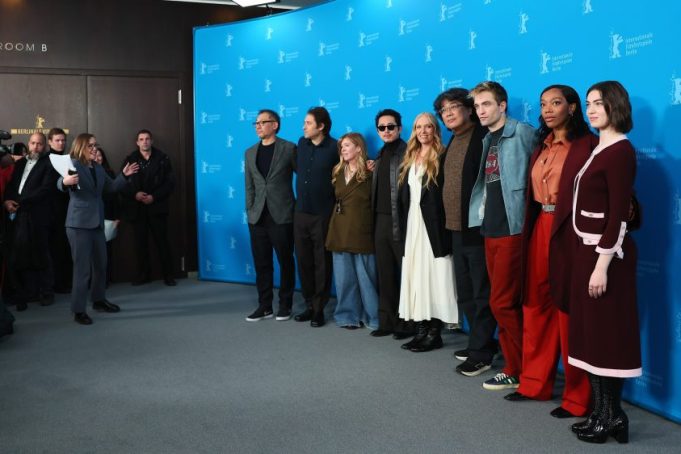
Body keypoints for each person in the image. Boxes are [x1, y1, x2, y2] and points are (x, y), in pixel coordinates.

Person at [502, 85, 593, 419]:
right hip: (540, 225)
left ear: (572, 107)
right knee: (535, 305)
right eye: (543, 104)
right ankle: (534, 383)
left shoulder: (587, 146)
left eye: (556, 103)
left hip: (570, 231)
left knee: (568, 311)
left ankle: (578, 397)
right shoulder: (542, 144)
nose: (548, 109)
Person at [568, 81, 640, 444]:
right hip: (587, 252)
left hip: (607, 256)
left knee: (607, 338)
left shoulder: (621, 152)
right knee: (592, 337)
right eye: (588, 103)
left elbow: (618, 217)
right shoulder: (600, 148)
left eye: (599, 103)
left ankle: (614, 416)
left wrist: (602, 265)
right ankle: (601, 412)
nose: (592, 109)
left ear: (616, 106)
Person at [469, 81, 535, 390]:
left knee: (502, 303)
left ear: (502, 105)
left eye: (486, 104)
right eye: (477, 106)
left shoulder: (521, 132)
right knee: (501, 303)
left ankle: (523, 367)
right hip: (490, 229)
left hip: (513, 229)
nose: (480, 111)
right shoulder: (487, 138)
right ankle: (515, 366)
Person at [435, 88, 498, 376]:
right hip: (455, 230)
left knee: (481, 294)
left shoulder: (482, 138)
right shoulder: (452, 140)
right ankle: (479, 342)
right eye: (443, 111)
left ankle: (482, 352)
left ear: (470, 109)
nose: (447, 114)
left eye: (453, 107)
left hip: (477, 230)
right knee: (466, 294)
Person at [58, 133, 138, 325]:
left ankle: (99, 300)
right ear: (81, 147)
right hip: (78, 225)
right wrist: (64, 183)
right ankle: (78, 310)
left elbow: (110, 189)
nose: (94, 149)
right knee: (82, 270)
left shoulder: (98, 168)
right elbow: (61, 183)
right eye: (90, 146)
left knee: (101, 265)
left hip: (96, 224)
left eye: (96, 145)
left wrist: (123, 177)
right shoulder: (74, 165)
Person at [398, 112, 458, 352]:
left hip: (433, 227)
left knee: (434, 277)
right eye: (418, 127)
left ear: (435, 129)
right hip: (412, 225)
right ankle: (421, 329)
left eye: (428, 127)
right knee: (416, 276)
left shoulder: (443, 155)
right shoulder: (410, 157)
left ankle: (435, 332)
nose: (423, 131)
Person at [244, 109, 296, 322]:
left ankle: (285, 304)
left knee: (285, 261)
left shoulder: (289, 148)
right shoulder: (249, 152)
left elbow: (305, 177)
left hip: (282, 214)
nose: (257, 126)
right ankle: (264, 306)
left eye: (262, 122)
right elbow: (249, 186)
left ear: (274, 125)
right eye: (255, 123)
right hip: (257, 218)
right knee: (262, 263)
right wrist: (250, 211)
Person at [325, 132, 379, 330]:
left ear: (359, 148)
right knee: (343, 278)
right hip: (339, 229)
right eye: (342, 146)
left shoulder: (371, 171)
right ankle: (347, 316)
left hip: (362, 229)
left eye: (347, 145)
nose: (343, 149)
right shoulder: (337, 171)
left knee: (367, 279)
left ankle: (373, 317)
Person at [369, 109, 413, 339]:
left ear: (399, 128)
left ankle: (407, 324)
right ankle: (387, 321)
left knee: (406, 275)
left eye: (390, 127)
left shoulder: (408, 152)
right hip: (380, 221)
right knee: (384, 273)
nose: (386, 131)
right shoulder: (379, 154)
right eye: (382, 128)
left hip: (402, 222)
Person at [293, 107, 338, 327]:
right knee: (303, 262)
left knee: (322, 263)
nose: (304, 127)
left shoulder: (335, 147)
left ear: (321, 126)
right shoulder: (301, 144)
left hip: (323, 214)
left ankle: (319, 309)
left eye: (308, 123)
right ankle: (309, 305)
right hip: (300, 213)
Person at [3, 133, 56, 311]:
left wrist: (20, 202)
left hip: (38, 215)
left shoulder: (49, 164)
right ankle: (27, 292)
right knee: (21, 253)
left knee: (42, 254)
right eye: (32, 143)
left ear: (45, 146)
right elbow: (11, 186)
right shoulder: (19, 164)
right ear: (28, 144)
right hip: (18, 215)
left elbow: (46, 189)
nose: (35, 147)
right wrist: (7, 201)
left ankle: (46, 292)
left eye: (39, 144)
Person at [120, 129, 176, 286]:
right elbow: (122, 183)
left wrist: (154, 197)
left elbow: (170, 183)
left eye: (147, 139)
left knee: (162, 242)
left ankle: (168, 275)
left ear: (151, 141)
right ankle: (144, 275)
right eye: (141, 139)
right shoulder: (130, 159)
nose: (144, 141)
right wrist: (135, 194)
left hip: (157, 207)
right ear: (137, 142)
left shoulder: (163, 158)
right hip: (137, 209)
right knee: (140, 244)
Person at [47, 127, 73, 293]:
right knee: (54, 249)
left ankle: (65, 282)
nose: (61, 143)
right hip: (51, 211)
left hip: (68, 209)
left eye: (63, 140)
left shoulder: (69, 159)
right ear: (50, 141)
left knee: (66, 248)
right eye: (57, 140)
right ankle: (56, 284)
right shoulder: (45, 161)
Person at [94, 146, 120, 286]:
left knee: (106, 251)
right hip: (92, 217)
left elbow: (116, 197)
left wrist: (117, 217)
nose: (98, 158)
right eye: (95, 155)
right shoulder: (87, 172)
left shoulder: (109, 173)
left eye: (100, 155)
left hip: (108, 216)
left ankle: (106, 279)